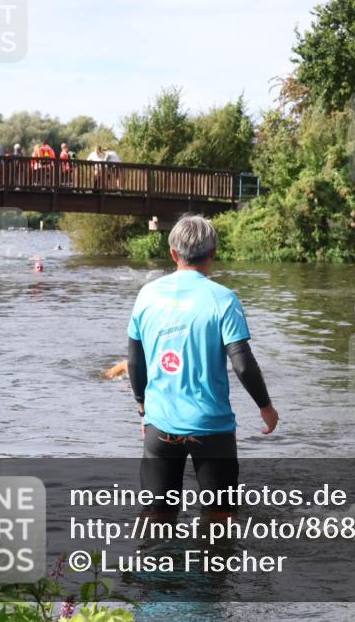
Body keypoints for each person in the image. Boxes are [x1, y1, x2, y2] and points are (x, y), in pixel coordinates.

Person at [128, 214, 279, 522]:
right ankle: (214, 567)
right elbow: (243, 363)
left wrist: (143, 407)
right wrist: (266, 407)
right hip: (211, 427)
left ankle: (152, 566)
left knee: (157, 517)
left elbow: (134, 360)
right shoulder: (223, 299)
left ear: (173, 254)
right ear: (214, 253)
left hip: (161, 426)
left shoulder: (147, 295)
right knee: (219, 519)